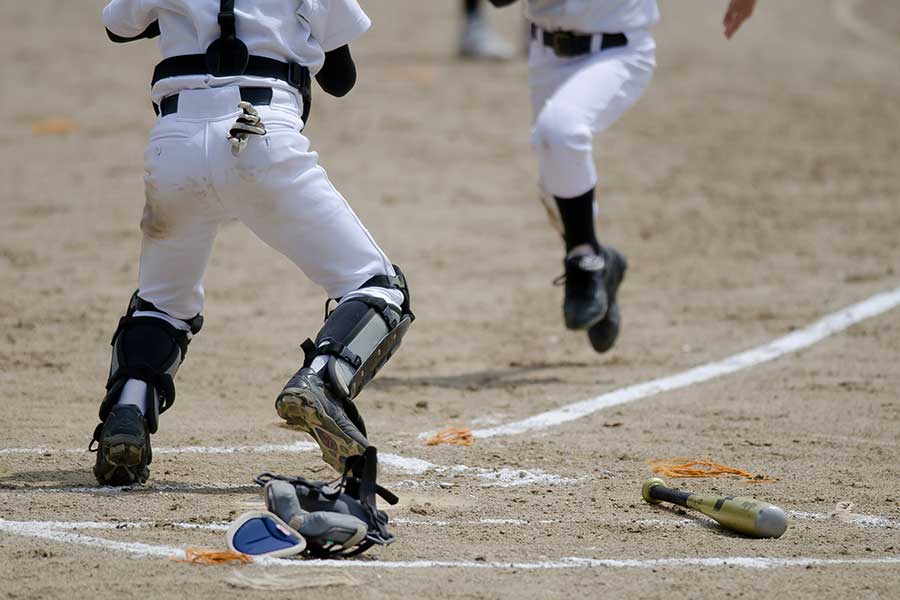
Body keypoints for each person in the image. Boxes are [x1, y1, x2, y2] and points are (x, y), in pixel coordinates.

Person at [91, 0, 414, 486]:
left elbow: (118, 27)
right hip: (261, 132)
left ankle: (129, 407)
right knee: (380, 287)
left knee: (162, 302)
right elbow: (341, 77)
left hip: (173, 142)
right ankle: (323, 380)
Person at [488, 0, 757, 352]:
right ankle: (603, 264)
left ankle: (585, 260)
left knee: (561, 130)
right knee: (556, 192)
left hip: (618, 51)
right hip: (547, 53)